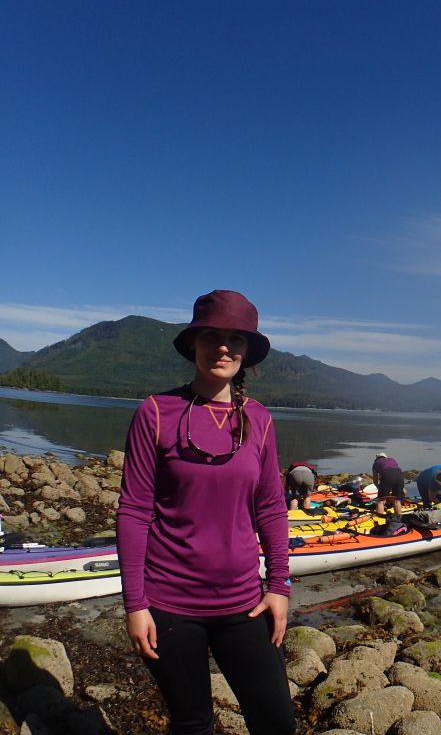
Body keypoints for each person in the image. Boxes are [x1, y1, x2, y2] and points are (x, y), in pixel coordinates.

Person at [116, 290, 295, 735]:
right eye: (211, 336)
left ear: (248, 352)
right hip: (169, 605)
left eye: (236, 339)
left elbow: (271, 507)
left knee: (276, 721)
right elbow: (134, 511)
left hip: (245, 603)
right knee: (193, 723)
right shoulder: (155, 412)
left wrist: (279, 586)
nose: (223, 347)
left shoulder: (259, 420)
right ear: (192, 344)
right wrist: (135, 604)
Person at [371, 452, 405, 518]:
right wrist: (402, 488)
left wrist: (380, 489)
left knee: (380, 501)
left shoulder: (376, 463)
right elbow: (395, 473)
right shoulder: (392, 460)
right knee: (397, 500)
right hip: (400, 476)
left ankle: (379, 519)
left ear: (376, 459)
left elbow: (375, 480)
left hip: (387, 475)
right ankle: (399, 519)